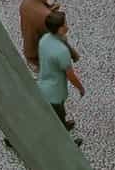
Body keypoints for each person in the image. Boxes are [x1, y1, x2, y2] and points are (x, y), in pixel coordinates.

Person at [36, 10, 85, 143]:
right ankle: (65, 142)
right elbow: (70, 75)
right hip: (55, 90)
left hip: (44, 84)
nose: (67, 26)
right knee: (56, 115)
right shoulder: (61, 51)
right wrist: (81, 88)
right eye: (64, 25)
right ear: (58, 29)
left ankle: (63, 124)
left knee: (59, 112)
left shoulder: (44, 40)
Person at [19, 0, 65, 74]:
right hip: (40, 60)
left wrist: (50, 9)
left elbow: (35, 17)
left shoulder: (26, 1)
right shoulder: (47, 17)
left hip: (28, 51)